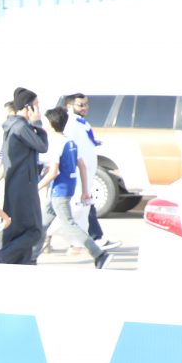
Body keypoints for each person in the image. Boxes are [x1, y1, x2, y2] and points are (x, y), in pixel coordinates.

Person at [42, 108, 109, 268]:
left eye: (46, 122)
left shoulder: (55, 143)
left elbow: (53, 172)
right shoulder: (70, 141)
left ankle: (99, 254)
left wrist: (36, 187)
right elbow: (82, 166)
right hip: (65, 188)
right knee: (42, 224)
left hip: (59, 190)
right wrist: (86, 190)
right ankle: (30, 256)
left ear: (51, 124)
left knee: (69, 224)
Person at [0, 90, 49, 264]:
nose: (38, 109)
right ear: (28, 107)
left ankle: (24, 262)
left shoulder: (13, 125)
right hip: (24, 187)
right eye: (36, 105)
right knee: (35, 232)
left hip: (17, 185)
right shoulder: (21, 127)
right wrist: (38, 124)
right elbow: (42, 146)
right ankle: (0, 258)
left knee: (17, 232)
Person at [62, 93, 106, 242]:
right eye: (80, 105)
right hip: (78, 173)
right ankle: (94, 239)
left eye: (86, 104)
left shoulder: (82, 123)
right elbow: (69, 148)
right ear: (69, 106)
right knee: (78, 208)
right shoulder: (70, 124)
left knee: (84, 206)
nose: (85, 108)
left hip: (87, 172)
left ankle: (91, 239)